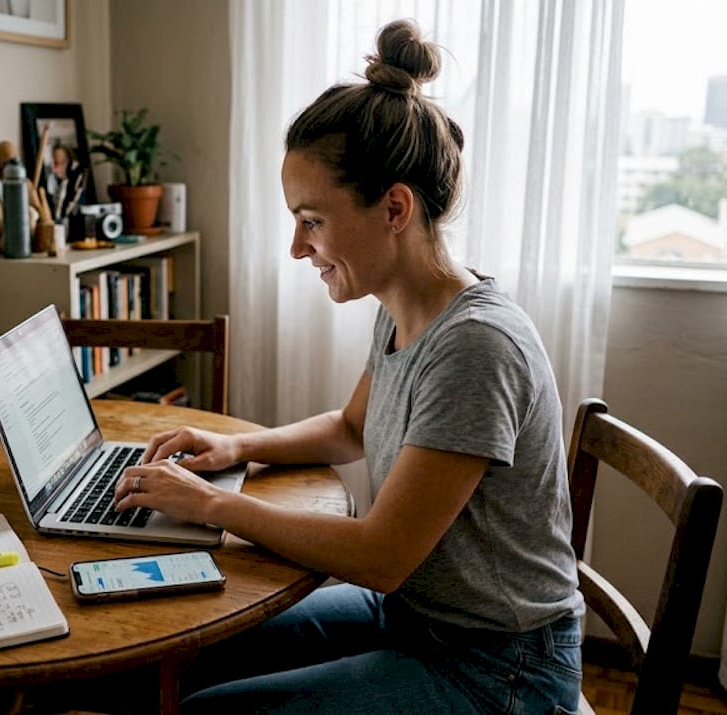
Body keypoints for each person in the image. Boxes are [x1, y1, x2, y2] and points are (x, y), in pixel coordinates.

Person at [113, 18, 585, 714]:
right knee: (185, 652)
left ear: (395, 207)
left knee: (216, 707)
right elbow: (351, 425)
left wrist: (214, 503)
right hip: (414, 615)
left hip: (498, 668)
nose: (297, 248)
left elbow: (379, 554)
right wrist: (235, 446)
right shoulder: (404, 306)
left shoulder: (476, 347)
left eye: (312, 219)